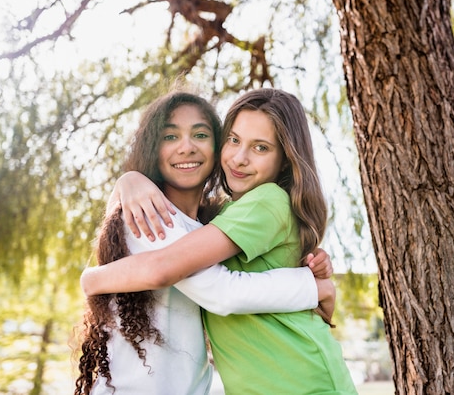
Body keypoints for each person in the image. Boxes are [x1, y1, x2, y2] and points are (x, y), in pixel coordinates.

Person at [81, 88, 357, 394]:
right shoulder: (155, 215)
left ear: (285, 159)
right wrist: (127, 181)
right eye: (234, 140)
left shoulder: (258, 204)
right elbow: (221, 289)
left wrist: (91, 279)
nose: (240, 158)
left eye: (261, 147)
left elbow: (220, 290)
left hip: (302, 379)